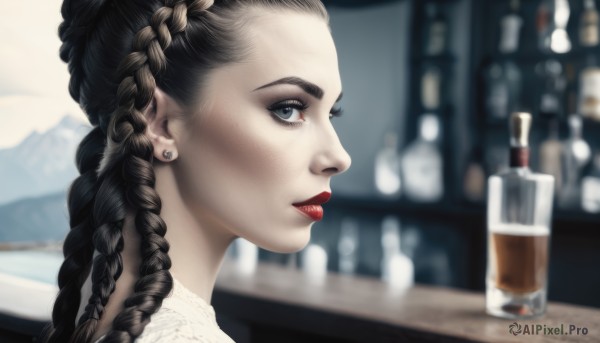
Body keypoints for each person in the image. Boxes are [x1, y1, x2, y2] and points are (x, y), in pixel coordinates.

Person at [42, 0, 351, 342]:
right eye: (289, 109)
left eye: (332, 113)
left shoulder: (92, 310)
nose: (339, 157)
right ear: (159, 123)